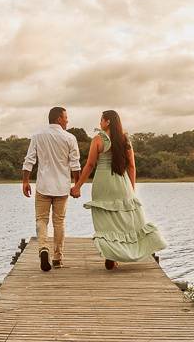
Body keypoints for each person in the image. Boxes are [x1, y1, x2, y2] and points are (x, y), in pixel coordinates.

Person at [70, 110, 166, 269]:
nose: (100, 123)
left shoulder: (98, 140)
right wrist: (131, 188)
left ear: (107, 122)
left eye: (101, 120)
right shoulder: (124, 140)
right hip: (122, 182)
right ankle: (125, 252)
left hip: (102, 183)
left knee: (106, 222)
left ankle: (111, 253)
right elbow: (132, 166)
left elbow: (90, 165)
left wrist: (77, 186)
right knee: (126, 222)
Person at [22, 106, 81, 271]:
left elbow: (29, 161)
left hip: (43, 186)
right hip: (62, 188)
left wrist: (25, 182)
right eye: (66, 117)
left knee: (41, 219)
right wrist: (76, 185)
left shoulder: (37, 136)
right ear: (58, 119)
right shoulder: (70, 138)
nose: (67, 120)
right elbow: (75, 164)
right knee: (59, 222)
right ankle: (57, 258)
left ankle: (43, 248)